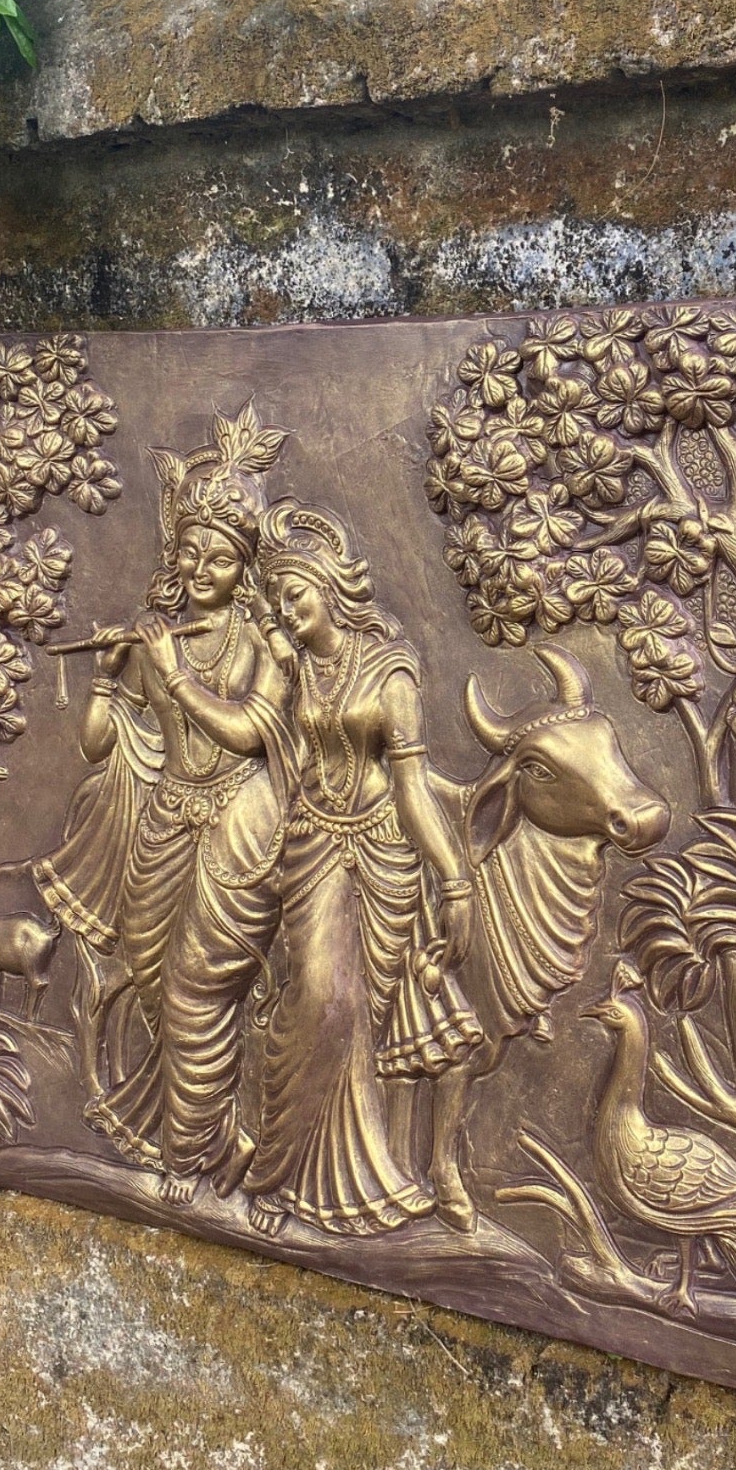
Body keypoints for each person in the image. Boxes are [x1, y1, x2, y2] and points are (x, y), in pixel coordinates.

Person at [36, 405, 297, 1204]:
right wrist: (108, 676)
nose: (202, 568)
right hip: (167, 817)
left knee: (197, 990)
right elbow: (95, 744)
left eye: (219, 557)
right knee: (150, 973)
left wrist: (176, 676)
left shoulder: (264, 644)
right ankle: (227, 1128)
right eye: (190, 552)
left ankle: (191, 1155)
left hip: (239, 822)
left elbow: (251, 731)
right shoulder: (157, 637)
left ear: (243, 567)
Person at [234, 501, 482, 1237]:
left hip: (382, 851)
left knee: (367, 1018)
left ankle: (371, 1175)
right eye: (279, 602)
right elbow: (271, 738)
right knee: (319, 1002)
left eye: (296, 596)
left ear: (329, 589)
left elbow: (412, 788)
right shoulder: (297, 670)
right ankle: (277, 1173)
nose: (288, 611)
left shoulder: (390, 671)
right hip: (314, 845)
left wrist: (455, 879)